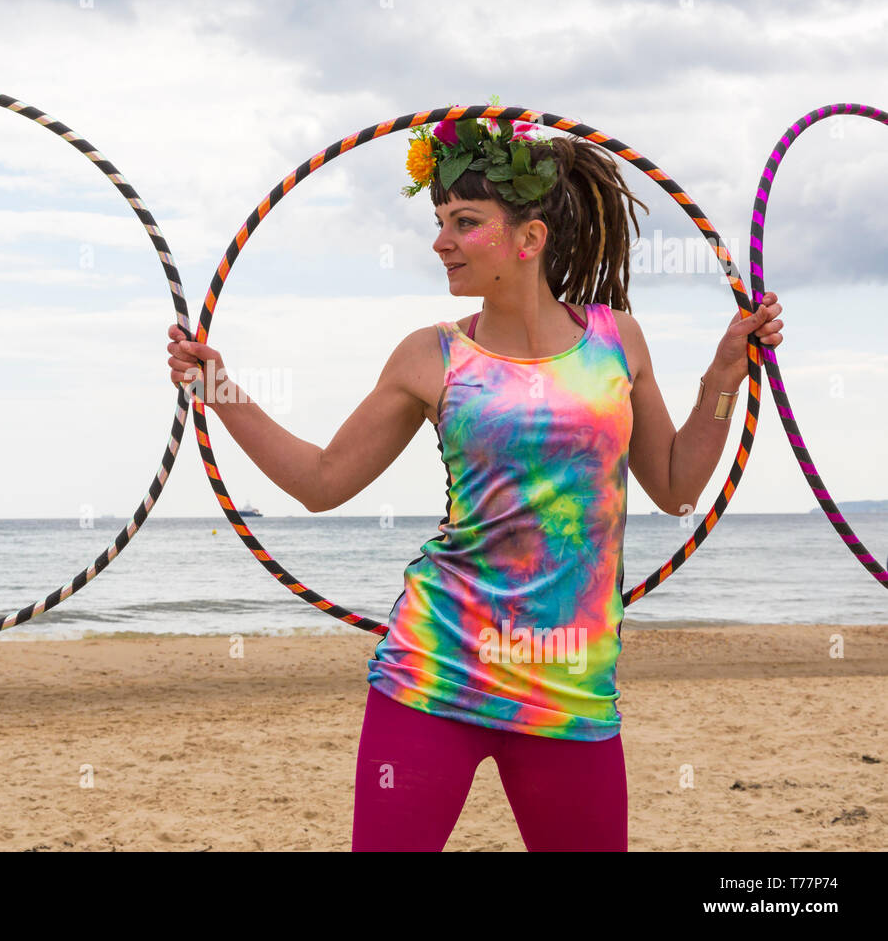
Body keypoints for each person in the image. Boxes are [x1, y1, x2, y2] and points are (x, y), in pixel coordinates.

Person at [164, 109, 784, 851]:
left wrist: (724, 375)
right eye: (439, 220)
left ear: (529, 239)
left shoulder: (619, 341)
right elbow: (322, 482)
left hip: (570, 692)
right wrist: (221, 390)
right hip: (435, 674)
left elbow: (678, 488)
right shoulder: (429, 357)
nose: (440, 241)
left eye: (464, 221)